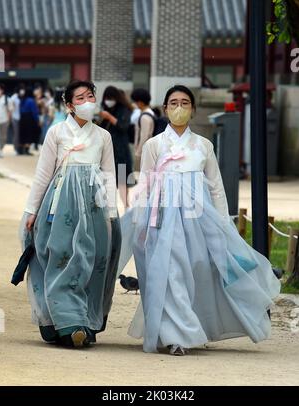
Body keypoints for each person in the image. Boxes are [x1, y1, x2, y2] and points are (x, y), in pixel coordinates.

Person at [118, 85, 281, 355]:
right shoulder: (154, 145)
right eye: (173, 102)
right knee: (170, 273)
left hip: (198, 219)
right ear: (165, 108)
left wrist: (224, 222)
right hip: (163, 217)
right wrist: (141, 221)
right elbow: (145, 184)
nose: (179, 107)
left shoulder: (204, 146)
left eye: (184, 102)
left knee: (195, 270)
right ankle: (176, 337)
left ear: (193, 110)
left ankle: (186, 327)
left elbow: (215, 186)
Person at [21, 80, 121, 348]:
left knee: (92, 260)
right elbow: (43, 174)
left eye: (91, 96)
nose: (88, 101)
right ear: (68, 105)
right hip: (60, 203)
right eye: (80, 98)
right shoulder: (56, 133)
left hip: (94, 206)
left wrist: (111, 213)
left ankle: (84, 322)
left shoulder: (103, 136)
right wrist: (32, 210)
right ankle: (66, 322)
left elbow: (109, 174)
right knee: (62, 258)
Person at [99, 86, 133, 209]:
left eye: (111, 98)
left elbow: (123, 126)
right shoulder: (103, 110)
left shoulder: (124, 110)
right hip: (106, 152)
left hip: (121, 151)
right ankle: (108, 208)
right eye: (107, 98)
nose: (109, 101)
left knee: (122, 179)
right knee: (106, 180)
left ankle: (126, 206)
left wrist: (109, 117)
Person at [130, 88, 155, 172]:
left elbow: (144, 136)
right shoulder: (150, 113)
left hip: (144, 155)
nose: (134, 104)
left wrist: (138, 153)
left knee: (141, 179)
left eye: (135, 101)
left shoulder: (145, 117)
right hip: (148, 153)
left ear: (140, 102)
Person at [19, 87, 40, 155]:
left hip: (22, 118)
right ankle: (27, 150)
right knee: (29, 133)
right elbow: (34, 111)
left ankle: (21, 150)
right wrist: (37, 120)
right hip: (29, 118)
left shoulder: (22, 100)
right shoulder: (31, 100)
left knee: (23, 133)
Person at [0, 83, 10, 158]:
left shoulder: (6, 99)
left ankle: (1, 149)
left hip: (4, 120)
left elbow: (9, 110)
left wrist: (9, 119)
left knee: (3, 136)